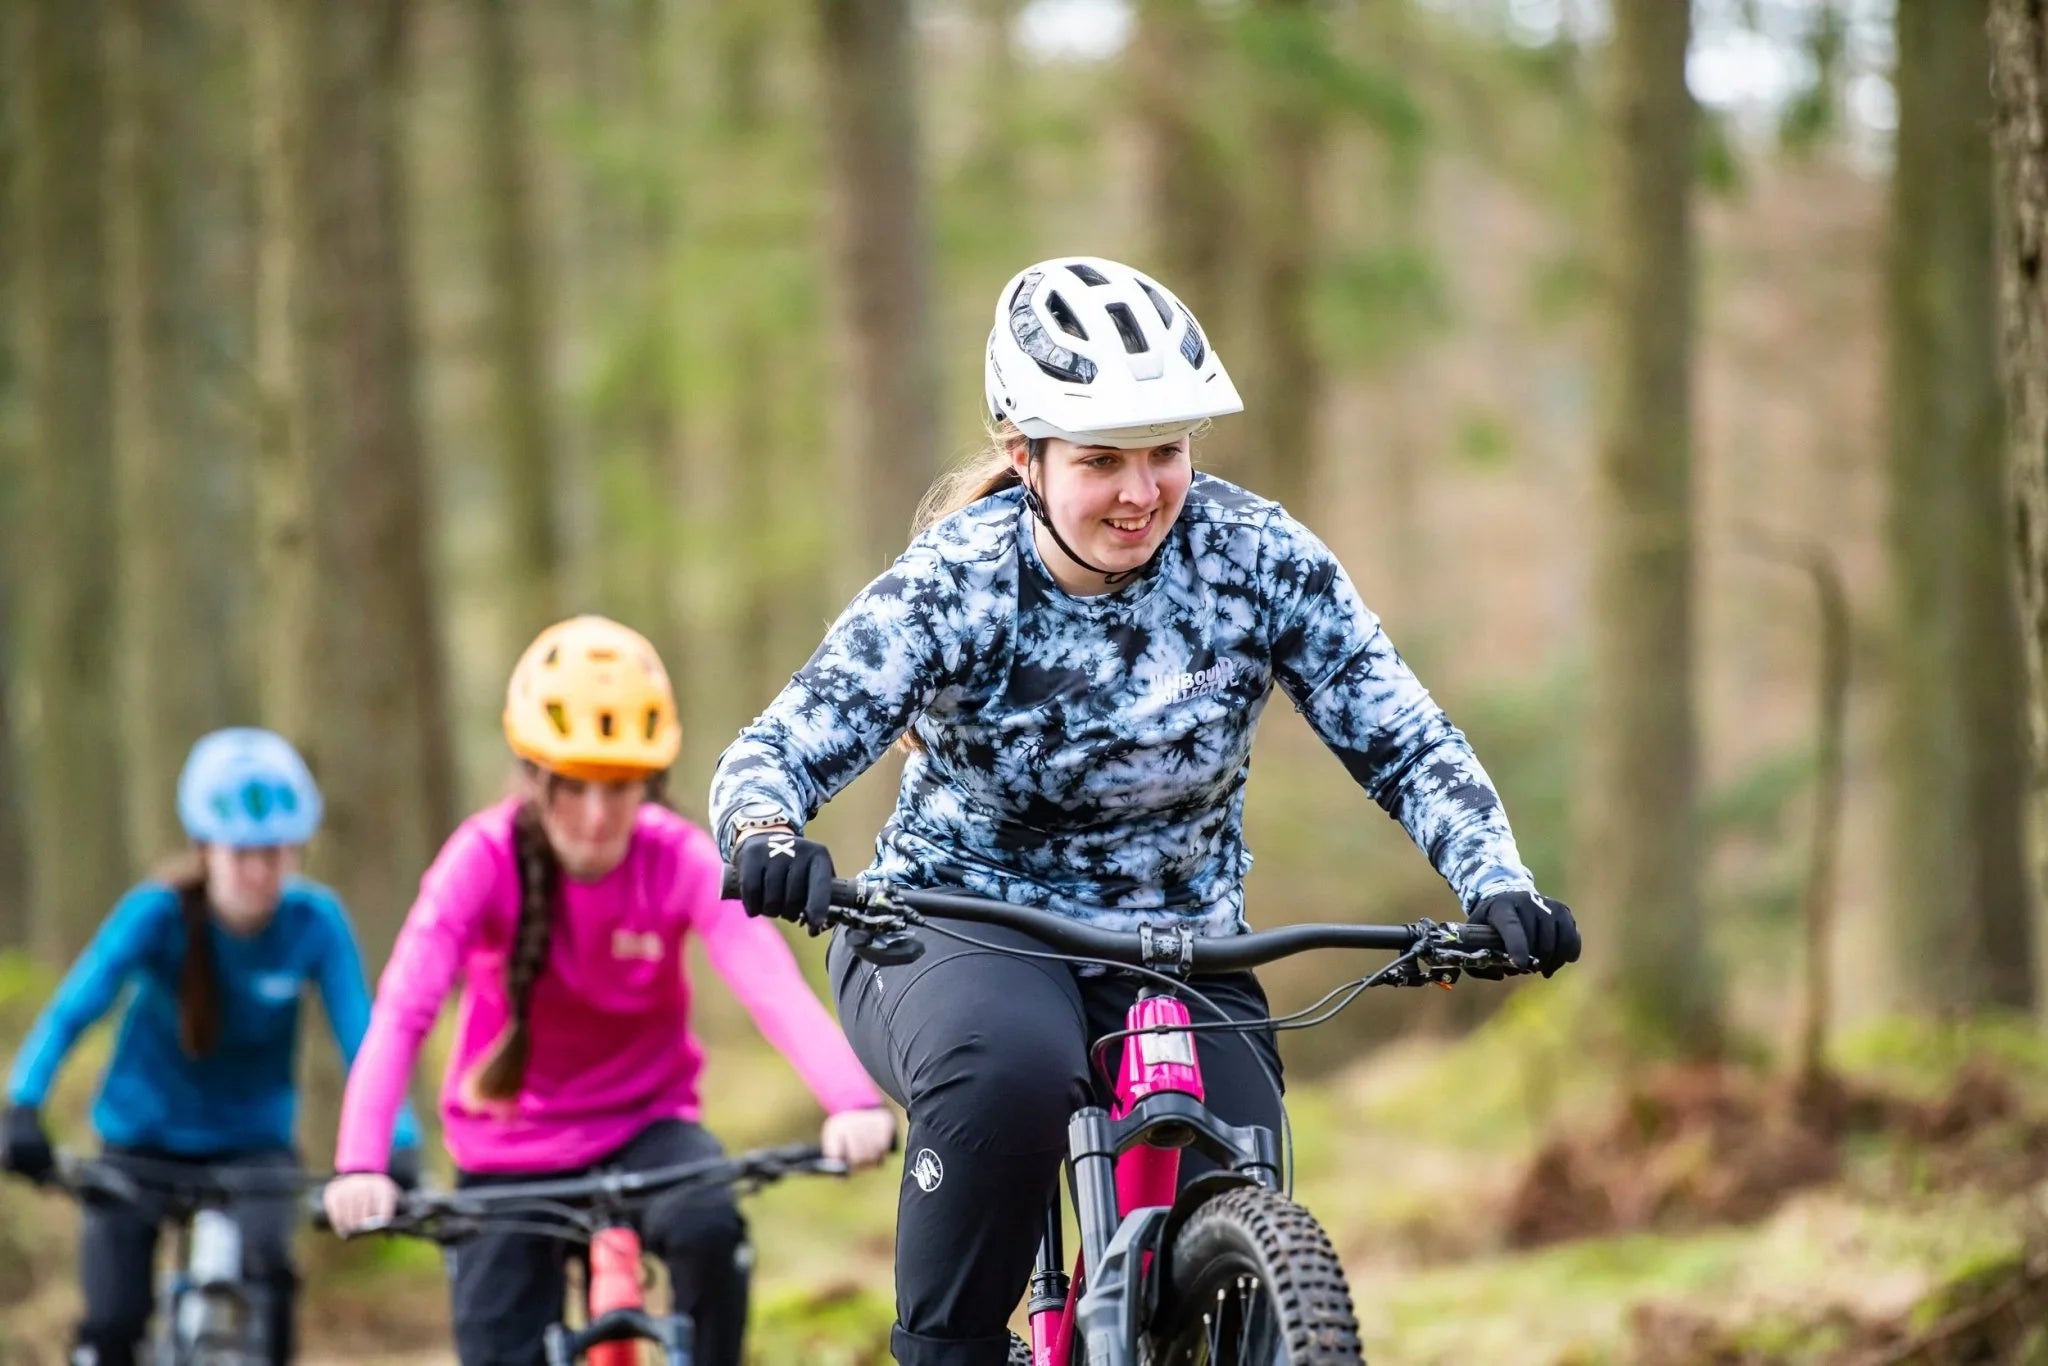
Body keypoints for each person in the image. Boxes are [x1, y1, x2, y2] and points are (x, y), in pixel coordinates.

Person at [711, 255, 1582, 1365]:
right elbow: (775, 747)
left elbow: (1404, 736)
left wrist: (1493, 879)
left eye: (1164, 452)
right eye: (1100, 460)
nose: (1140, 492)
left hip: (1180, 938)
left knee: (1237, 1156)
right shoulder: (954, 584)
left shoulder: (1256, 561)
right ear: (1024, 456)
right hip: (955, 924)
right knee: (1009, 1080)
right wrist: (766, 834)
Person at [322, 614, 894, 1366]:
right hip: (507, 1150)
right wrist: (361, 1161)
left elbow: (769, 984)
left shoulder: (677, 857)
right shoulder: (480, 860)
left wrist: (851, 1103)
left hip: (647, 1130)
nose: (597, 817)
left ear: (649, 783)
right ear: (532, 776)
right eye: (574, 787)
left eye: (620, 787)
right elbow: (403, 1011)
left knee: (711, 1230)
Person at [1, 727, 420, 1366]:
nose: (260, 871)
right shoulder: (155, 914)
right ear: (205, 849)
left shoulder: (316, 923)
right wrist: (23, 1104)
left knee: (272, 1278)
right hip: (142, 1138)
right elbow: (73, 1010)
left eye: (277, 853)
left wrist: (400, 1141)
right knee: (112, 1322)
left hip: (252, 1142)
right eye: (242, 853)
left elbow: (365, 1036)